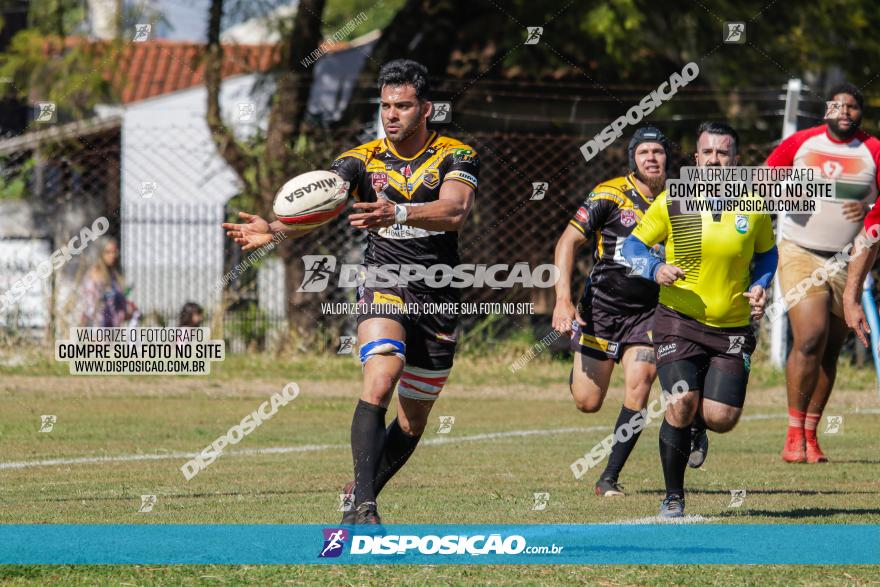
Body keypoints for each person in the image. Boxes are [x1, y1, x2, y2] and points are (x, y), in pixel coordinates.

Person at [221, 59, 479, 525]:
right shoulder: (360, 160)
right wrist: (275, 229)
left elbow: (455, 210)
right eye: (385, 106)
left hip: (440, 292)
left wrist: (397, 213)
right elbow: (324, 202)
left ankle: (358, 492)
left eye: (402, 106)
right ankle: (366, 507)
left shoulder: (457, 155)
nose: (391, 115)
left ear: (426, 109)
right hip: (384, 279)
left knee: (412, 421)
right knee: (382, 376)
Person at [622, 122, 778, 518]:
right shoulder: (673, 198)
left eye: (722, 153)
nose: (714, 160)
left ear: (735, 161)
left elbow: (767, 255)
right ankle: (673, 496)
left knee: (720, 418)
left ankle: (698, 428)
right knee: (680, 401)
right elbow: (633, 245)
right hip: (679, 318)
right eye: (707, 153)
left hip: (732, 325)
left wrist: (761, 285)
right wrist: (654, 268)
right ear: (696, 159)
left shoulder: (754, 202)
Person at [765, 83, 880, 464]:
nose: (845, 111)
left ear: (860, 113)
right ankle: (792, 432)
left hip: (850, 260)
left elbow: (876, 216)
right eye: (838, 105)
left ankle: (811, 434)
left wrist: (863, 213)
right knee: (810, 336)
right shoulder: (801, 142)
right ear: (826, 110)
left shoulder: (874, 150)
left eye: (852, 106)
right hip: (800, 252)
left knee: (830, 348)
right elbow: (763, 185)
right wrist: (789, 196)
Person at [552, 126, 669, 497]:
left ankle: (609, 478)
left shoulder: (679, 200)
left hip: (649, 311)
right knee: (588, 402)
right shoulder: (610, 194)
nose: (651, 157)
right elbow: (567, 241)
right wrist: (563, 300)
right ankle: (578, 366)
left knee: (642, 381)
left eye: (658, 151)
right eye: (643, 152)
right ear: (633, 158)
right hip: (601, 309)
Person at [80, 237, 136, 327]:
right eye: (108, 252)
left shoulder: (114, 275)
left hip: (112, 328)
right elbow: (91, 308)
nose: (112, 255)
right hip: (98, 329)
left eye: (114, 252)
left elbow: (118, 305)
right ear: (101, 253)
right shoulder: (95, 275)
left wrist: (128, 309)